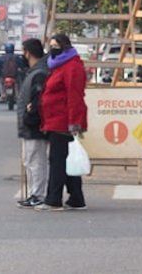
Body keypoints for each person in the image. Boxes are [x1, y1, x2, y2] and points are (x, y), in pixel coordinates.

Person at [36, 33, 88, 211]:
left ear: (65, 47)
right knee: (66, 160)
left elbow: (75, 97)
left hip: (63, 121)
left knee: (57, 161)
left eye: (56, 46)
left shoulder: (72, 67)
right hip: (54, 119)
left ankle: (53, 199)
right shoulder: (57, 65)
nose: (52, 50)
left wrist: (74, 123)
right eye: (51, 46)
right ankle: (76, 198)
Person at [16, 38, 50, 208]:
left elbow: (39, 100)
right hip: (30, 124)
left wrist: (30, 114)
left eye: (23, 51)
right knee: (31, 160)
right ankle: (34, 193)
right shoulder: (34, 71)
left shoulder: (39, 73)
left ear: (28, 52)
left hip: (34, 124)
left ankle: (38, 194)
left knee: (36, 161)